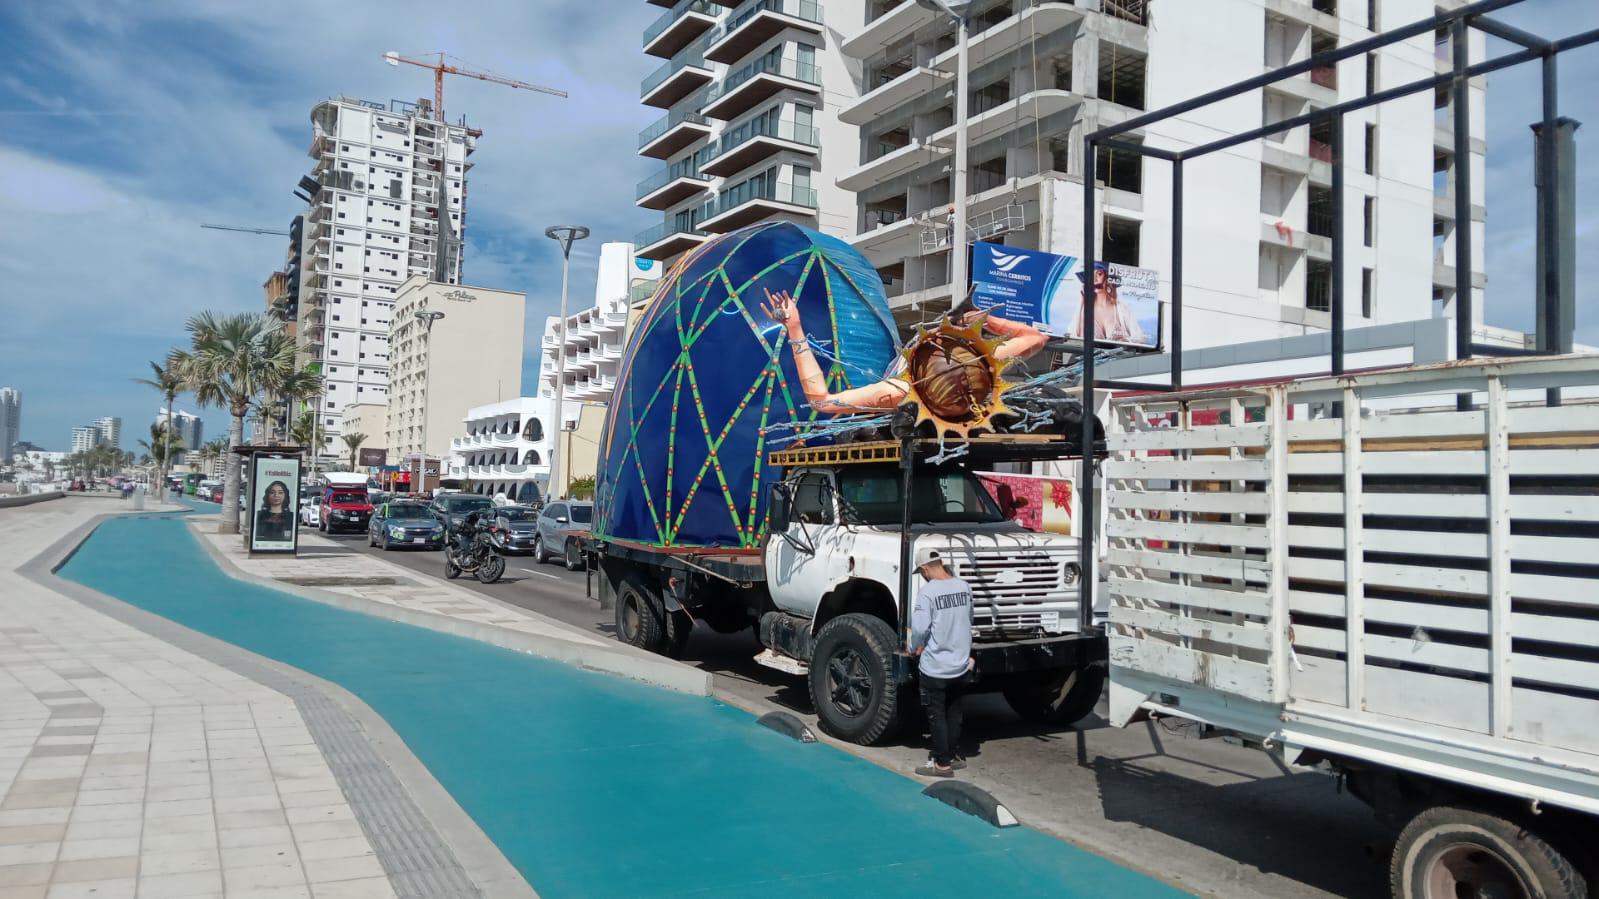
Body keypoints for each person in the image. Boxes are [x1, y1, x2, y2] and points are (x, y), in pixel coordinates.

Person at [760, 288, 1047, 414]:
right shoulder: (982, 361)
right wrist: (986, 320)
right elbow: (1037, 337)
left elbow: (822, 401)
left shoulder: (905, 388)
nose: (938, 330)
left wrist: (795, 330)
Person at [908, 547, 974, 778]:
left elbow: (919, 629)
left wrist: (914, 647)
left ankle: (942, 764)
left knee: (936, 715)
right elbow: (969, 619)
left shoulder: (928, 593)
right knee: (954, 712)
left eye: (922, 572)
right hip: (960, 664)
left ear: (925, 569)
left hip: (936, 666)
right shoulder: (964, 587)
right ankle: (954, 755)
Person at [1070, 262, 1146, 346]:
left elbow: (1141, 338)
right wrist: (1081, 302)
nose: (1094, 279)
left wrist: (1126, 341)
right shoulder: (1083, 308)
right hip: (1084, 358)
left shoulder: (1121, 308)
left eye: (1099, 274)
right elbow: (1070, 336)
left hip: (1118, 359)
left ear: (1108, 278)